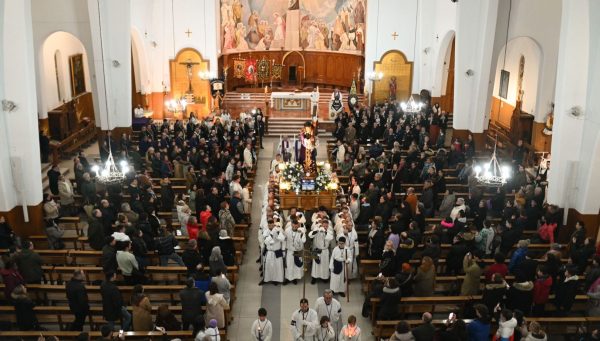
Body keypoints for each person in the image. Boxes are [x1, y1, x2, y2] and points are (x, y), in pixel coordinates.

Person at [309, 218, 334, 284]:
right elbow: (310, 235)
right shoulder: (317, 229)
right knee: (315, 265)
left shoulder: (329, 231)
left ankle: (324, 277)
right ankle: (314, 277)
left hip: (325, 250)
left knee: (324, 264)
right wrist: (316, 231)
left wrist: (325, 232)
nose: (325, 227)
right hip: (317, 250)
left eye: (326, 226)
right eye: (324, 226)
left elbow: (330, 238)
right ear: (321, 225)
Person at [261, 221, 285, 285]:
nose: (270, 226)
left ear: (273, 224)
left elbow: (282, 239)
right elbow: (266, 242)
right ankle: (265, 279)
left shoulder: (278, 230)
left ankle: (275, 279)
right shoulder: (266, 231)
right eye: (269, 224)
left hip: (276, 251)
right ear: (268, 225)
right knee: (267, 266)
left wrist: (278, 233)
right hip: (269, 252)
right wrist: (271, 236)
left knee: (276, 266)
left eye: (271, 224)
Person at [285, 218, 306, 284]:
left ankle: (295, 278)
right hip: (290, 251)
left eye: (296, 226)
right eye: (293, 226)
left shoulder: (301, 231)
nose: (294, 227)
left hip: (298, 251)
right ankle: (288, 278)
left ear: (298, 225)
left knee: (296, 265)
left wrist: (302, 234)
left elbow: (303, 241)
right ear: (291, 224)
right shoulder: (287, 230)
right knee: (289, 265)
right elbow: (284, 239)